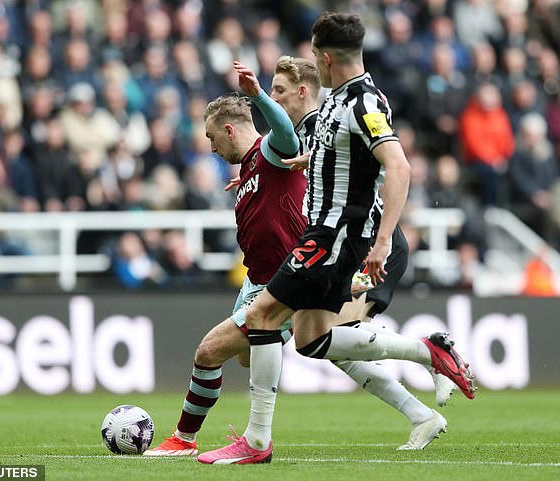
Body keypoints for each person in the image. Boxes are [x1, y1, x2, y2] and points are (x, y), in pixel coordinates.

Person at [198, 12, 475, 465]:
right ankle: (428, 353)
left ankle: (256, 441)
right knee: (312, 339)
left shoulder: (363, 102)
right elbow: (334, 160)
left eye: (312, 55)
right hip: (327, 233)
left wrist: (382, 242)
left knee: (263, 315)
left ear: (324, 59)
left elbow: (399, 166)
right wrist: (287, 168)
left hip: (341, 237)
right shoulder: (335, 103)